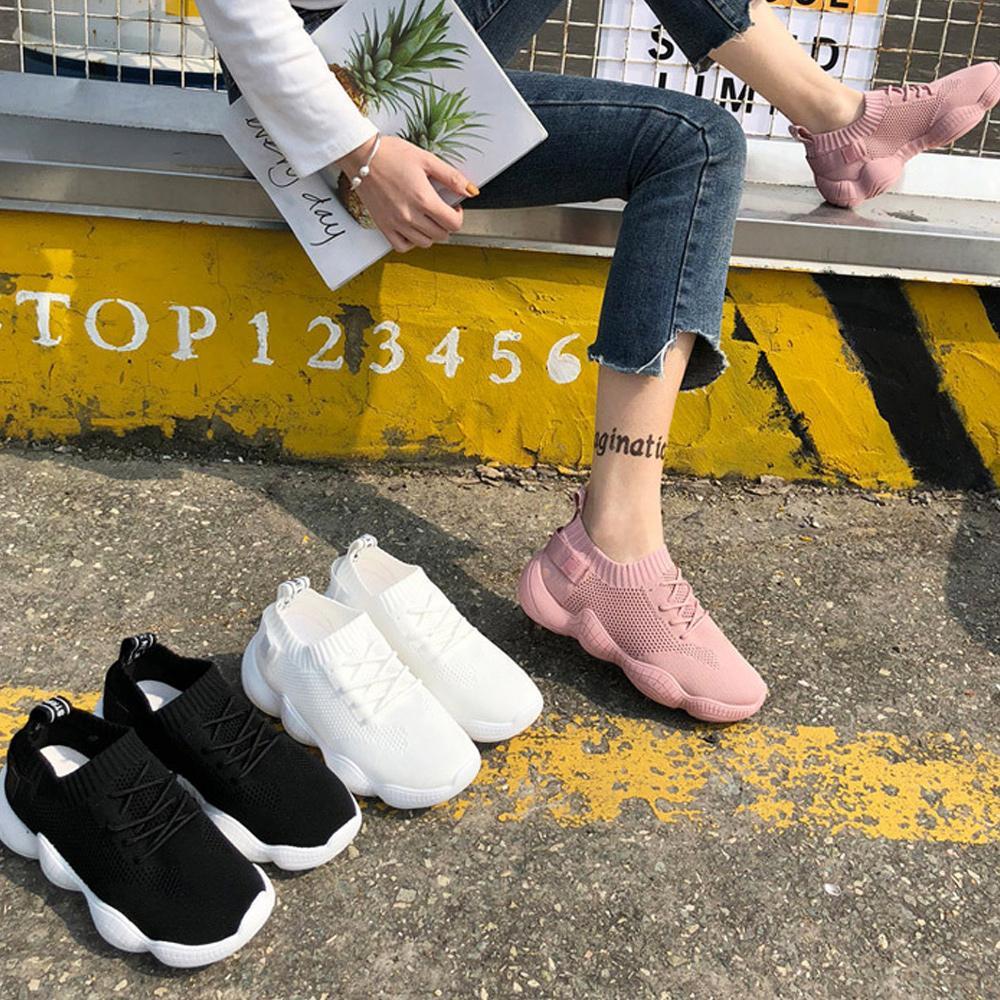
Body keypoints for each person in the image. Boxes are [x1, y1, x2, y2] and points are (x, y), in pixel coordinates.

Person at [195, 0, 999, 723]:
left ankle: (843, 121)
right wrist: (362, 151)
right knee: (694, 145)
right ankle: (615, 542)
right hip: (318, 91)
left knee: (696, 142)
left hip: (394, 31)